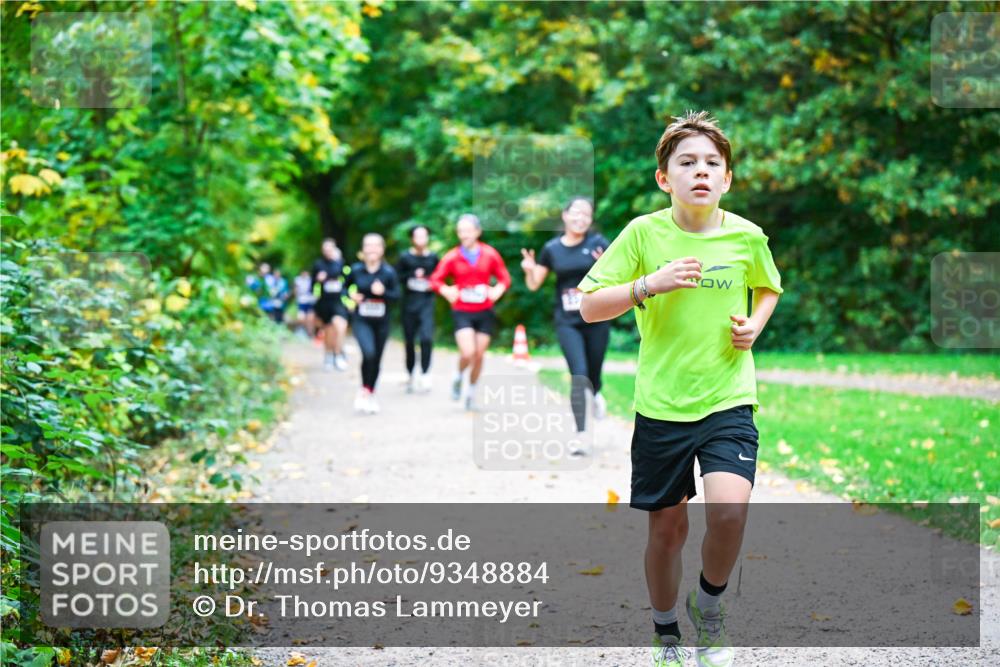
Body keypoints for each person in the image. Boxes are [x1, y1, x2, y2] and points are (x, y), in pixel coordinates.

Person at [578, 111, 782, 667]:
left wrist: (756, 325)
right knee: (667, 530)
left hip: (728, 398)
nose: (701, 172)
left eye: (712, 163)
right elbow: (589, 305)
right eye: (686, 162)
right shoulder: (644, 234)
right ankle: (666, 635)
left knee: (730, 515)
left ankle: (708, 609)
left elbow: (768, 287)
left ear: (727, 179)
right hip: (662, 406)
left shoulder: (747, 236)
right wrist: (649, 284)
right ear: (665, 178)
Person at [520, 196, 610, 444]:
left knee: (593, 372)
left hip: (597, 317)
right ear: (565, 215)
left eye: (586, 214)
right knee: (579, 374)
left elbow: (617, 278)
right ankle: (581, 434)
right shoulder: (552, 249)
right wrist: (529, 269)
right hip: (567, 320)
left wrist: (605, 264)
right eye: (576, 213)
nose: (581, 218)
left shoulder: (598, 243)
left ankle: (598, 392)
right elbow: (534, 284)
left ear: (591, 220)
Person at [429, 213, 511, 411]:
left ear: (477, 231)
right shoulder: (452, 256)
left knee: (480, 355)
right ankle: (458, 377)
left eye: (468, 230)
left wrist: (497, 290)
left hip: (484, 311)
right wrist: (446, 290)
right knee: (468, 353)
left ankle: (471, 393)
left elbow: (504, 278)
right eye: (460, 231)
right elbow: (435, 280)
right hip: (462, 310)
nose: (464, 235)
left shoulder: (490, 254)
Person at [345, 233, 400, 414]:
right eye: (368, 245)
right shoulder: (355, 270)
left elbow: (397, 297)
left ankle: (370, 392)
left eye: (376, 245)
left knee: (376, 358)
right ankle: (364, 390)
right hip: (362, 320)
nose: (372, 249)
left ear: (382, 249)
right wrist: (351, 296)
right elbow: (344, 288)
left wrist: (383, 292)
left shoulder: (388, 272)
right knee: (368, 353)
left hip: (382, 322)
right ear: (363, 249)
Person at [395, 224, 440, 393]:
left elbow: (440, 277)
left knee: (427, 338)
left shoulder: (434, 258)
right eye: (417, 236)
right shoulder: (405, 257)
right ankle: (410, 373)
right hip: (408, 305)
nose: (421, 239)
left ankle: (426, 373)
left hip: (427, 304)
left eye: (424, 236)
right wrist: (411, 276)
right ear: (412, 239)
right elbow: (396, 277)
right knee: (409, 341)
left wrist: (432, 284)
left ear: (427, 238)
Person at [312, 239, 350, 371]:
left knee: (341, 327)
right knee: (328, 331)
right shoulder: (318, 265)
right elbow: (312, 285)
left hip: (338, 302)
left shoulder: (341, 263)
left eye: (330, 248)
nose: (328, 251)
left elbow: (348, 280)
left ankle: (339, 355)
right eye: (325, 249)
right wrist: (318, 280)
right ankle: (329, 355)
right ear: (323, 250)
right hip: (324, 303)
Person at [293, 269, 316, 337]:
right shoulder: (298, 280)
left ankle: (310, 333)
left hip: (310, 300)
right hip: (301, 300)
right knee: (301, 317)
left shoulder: (311, 279)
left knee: (310, 318)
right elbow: (295, 289)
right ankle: (301, 329)